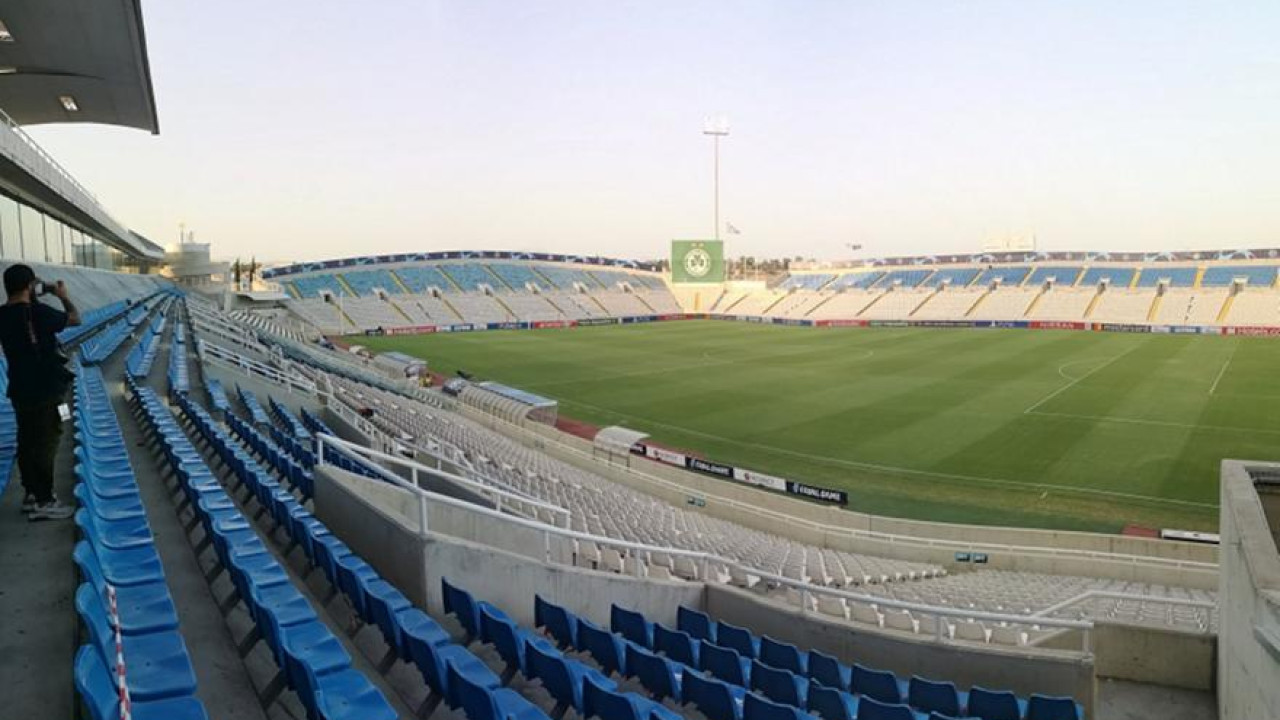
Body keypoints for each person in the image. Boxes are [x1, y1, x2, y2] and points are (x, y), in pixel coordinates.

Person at [0, 265, 81, 520]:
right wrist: (62, 296)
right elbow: (75, 318)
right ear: (29, 285)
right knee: (47, 441)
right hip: (47, 389)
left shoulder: (3, 315)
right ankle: (45, 500)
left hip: (20, 390)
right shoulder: (39, 312)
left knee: (26, 441)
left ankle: (31, 494)